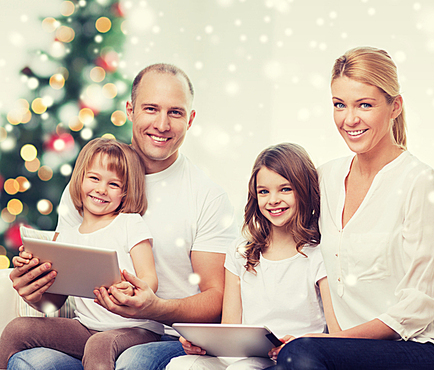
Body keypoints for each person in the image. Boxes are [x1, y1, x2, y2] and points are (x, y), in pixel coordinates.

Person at [8, 64, 235, 370]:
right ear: (130, 110)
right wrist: (37, 290)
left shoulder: (207, 197)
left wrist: (157, 307)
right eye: (151, 109)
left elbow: (217, 298)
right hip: (91, 332)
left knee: (130, 361)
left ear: (190, 119)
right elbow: (56, 299)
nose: (162, 124)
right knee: (29, 361)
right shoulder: (91, 187)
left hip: (168, 337)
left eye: (176, 113)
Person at [266, 47, 434, 370]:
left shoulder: (421, 182)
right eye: (339, 105)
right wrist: (228, 337)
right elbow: (285, 254)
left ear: (395, 107)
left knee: (302, 355)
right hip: (349, 348)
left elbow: (419, 306)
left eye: (365, 104)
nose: (349, 119)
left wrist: (329, 342)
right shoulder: (326, 178)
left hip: (428, 348)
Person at [167, 143, 339, 370]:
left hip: (295, 358)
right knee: (181, 365)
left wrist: (298, 344)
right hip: (246, 357)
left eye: (285, 189)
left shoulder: (319, 253)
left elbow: (337, 334)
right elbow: (230, 327)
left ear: (304, 191)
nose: (273, 200)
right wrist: (202, 344)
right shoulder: (240, 252)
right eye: (264, 191)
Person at [0, 137, 162, 369]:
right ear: (80, 179)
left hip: (136, 329)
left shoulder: (129, 223)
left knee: (99, 344)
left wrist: (135, 289)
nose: (101, 189)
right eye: (94, 178)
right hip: (86, 328)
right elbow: (55, 299)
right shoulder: (66, 236)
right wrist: (32, 273)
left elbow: (150, 279)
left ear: (125, 193)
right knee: (17, 329)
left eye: (113, 184)